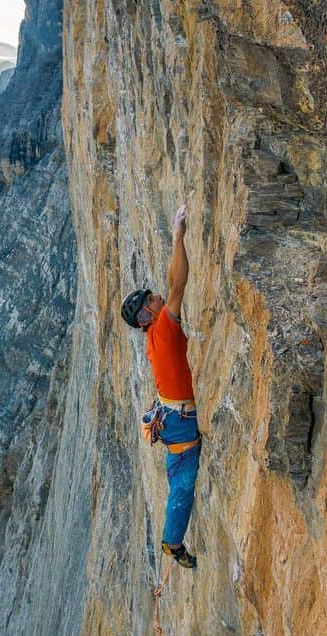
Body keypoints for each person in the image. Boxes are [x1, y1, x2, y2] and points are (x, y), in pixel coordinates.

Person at [120, 203, 200, 569]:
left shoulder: (153, 336)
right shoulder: (164, 327)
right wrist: (179, 235)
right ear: (147, 315)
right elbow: (178, 283)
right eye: (151, 299)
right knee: (184, 479)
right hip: (179, 419)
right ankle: (172, 541)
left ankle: (173, 538)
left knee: (179, 470)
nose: (158, 297)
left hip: (170, 412)